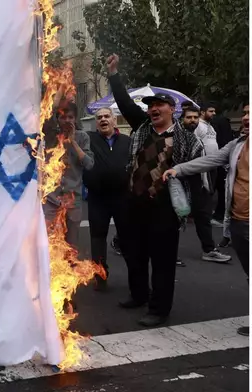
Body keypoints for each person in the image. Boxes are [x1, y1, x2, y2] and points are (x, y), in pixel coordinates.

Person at [107, 54, 203, 327]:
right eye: (150, 106)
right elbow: (125, 104)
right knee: (133, 253)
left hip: (164, 208)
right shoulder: (142, 128)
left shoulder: (186, 138)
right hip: (134, 202)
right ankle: (138, 295)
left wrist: (192, 208)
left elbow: (194, 173)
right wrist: (114, 74)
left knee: (162, 260)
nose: (153, 109)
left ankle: (159, 308)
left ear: (171, 109)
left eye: (159, 105)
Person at [163, 102, 249, 336]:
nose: (245, 118)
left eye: (250, 114)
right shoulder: (238, 145)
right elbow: (211, 160)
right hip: (239, 220)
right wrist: (179, 169)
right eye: (244, 113)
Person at [83, 107, 130, 291]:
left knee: (128, 239)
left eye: (107, 116)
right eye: (99, 117)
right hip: (98, 198)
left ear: (114, 120)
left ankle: (136, 280)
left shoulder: (127, 141)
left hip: (122, 197)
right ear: (96, 122)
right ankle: (100, 276)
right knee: (97, 239)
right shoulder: (89, 139)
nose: (103, 119)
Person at [179, 106, 231, 263]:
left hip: (201, 177)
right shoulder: (177, 136)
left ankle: (209, 250)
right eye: (189, 117)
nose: (193, 120)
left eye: (195, 117)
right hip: (180, 179)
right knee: (173, 218)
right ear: (182, 119)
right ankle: (167, 253)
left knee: (203, 215)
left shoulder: (203, 132)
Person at [42, 101, 94, 249]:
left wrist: (73, 142)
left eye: (70, 117)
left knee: (71, 247)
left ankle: (70, 271)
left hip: (73, 200)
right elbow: (46, 113)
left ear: (75, 119)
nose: (67, 121)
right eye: (63, 117)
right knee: (49, 245)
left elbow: (89, 164)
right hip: (51, 200)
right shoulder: (49, 136)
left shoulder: (83, 137)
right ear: (58, 119)